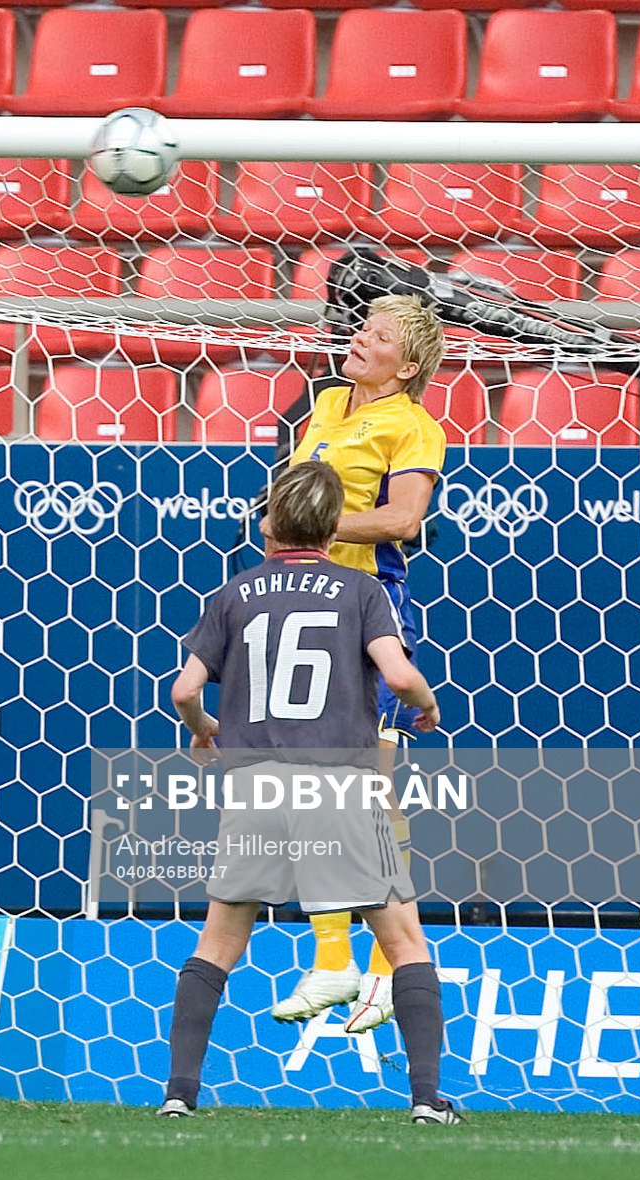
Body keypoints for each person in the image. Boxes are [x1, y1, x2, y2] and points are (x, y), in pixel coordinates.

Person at [159, 461, 459, 1124]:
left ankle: (179, 1094)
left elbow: (183, 690)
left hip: (256, 784)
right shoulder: (359, 590)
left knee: (218, 941)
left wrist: (204, 728)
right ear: (330, 526)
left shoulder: (236, 593)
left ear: (270, 523)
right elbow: (397, 672)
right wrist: (425, 704)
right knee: (405, 940)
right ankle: (425, 1099)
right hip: (340, 782)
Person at [271, 294, 448, 1035]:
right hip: (306, 605)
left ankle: (384, 970)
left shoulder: (415, 426)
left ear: (406, 366)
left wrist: (310, 520)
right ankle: (335, 960)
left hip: (367, 610)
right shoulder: (331, 403)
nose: (359, 339)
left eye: (377, 336)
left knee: (367, 796)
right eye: (361, 327)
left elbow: (404, 520)